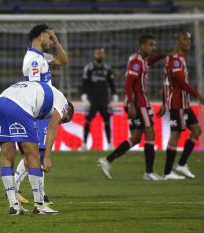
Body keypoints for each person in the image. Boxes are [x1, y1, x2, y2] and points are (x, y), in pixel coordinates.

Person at [0, 81, 74, 215]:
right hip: (18, 106)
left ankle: (14, 206)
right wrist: (47, 157)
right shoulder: (63, 102)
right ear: (67, 111)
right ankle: (40, 205)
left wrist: (24, 153)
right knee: (34, 156)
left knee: (7, 156)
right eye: (64, 120)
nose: (61, 122)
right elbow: (52, 126)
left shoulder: (41, 98)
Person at [14, 23, 69, 206]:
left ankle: (39, 194)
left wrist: (56, 41)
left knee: (37, 152)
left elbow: (63, 61)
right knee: (36, 153)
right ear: (39, 37)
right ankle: (21, 190)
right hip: (38, 111)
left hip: (43, 109)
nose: (50, 40)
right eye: (48, 36)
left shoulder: (41, 56)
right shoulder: (34, 61)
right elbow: (34, 89)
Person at [98, 35, 165, 181]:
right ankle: (149, 172)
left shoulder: (141, 60)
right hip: (139, 104)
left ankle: (107, 160)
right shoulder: (136, 62)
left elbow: (150, 62)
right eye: (150, 45)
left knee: (135, 137)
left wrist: (163, 55)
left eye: (154, 45)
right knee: (150, 133)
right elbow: (128, 83)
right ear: (142, 46)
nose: (153, 47)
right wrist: (132, 105)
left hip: (135, 103)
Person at [159, 30, 204, 180]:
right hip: (177, 104)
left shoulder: (180, 59)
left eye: (189, 40)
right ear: (177, 40)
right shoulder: (175, 60)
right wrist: (198, 96)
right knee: (175, 135)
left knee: (197, 131)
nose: (188, 42)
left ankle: (182, 164)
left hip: (184, 104)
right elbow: (181, 83)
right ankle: (167, 172)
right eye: (185, 39)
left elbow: (166, 83)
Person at [81, 47, 118, 151]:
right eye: (97, 53)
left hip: (104, 99)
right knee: (87, 120)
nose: (99, 55)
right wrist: (84, 96)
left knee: (107, 120)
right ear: (94, 54)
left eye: (101, 53)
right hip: (91, 99)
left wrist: (114, 95)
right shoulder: (88, 68)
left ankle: (109, 144)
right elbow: (84, 83)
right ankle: (84, 144)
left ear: (104, 55)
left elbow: (112, 84)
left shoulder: (107, 69)